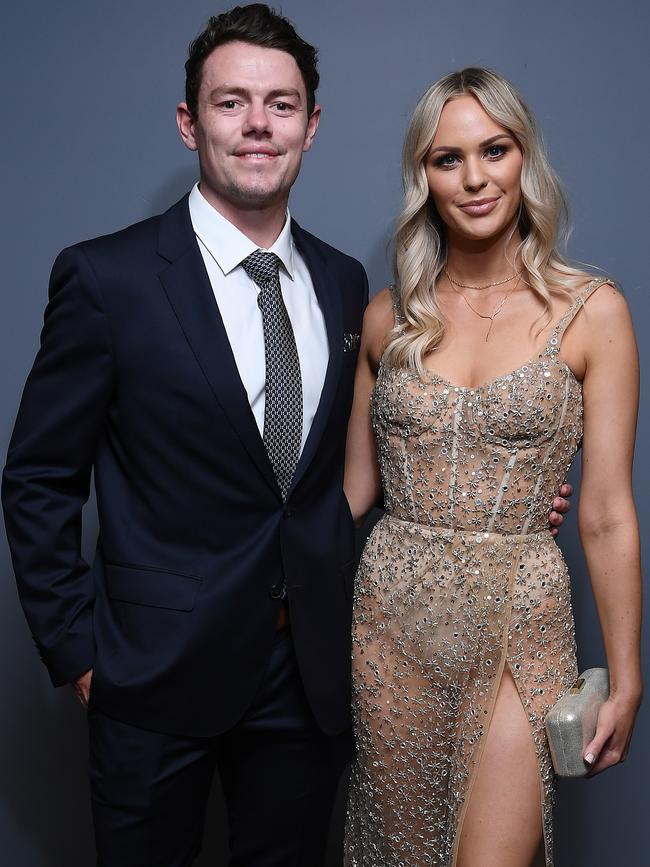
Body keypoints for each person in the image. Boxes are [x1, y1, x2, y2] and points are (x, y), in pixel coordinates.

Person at [2, 10, 572, 866]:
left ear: (313, 122)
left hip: (308, 678)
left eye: (281, 102)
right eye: (232, 103)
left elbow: (373, 455)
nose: (258, 124)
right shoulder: (106, 278)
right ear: (191, 122)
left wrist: (508, 490)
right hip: (151, 675)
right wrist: (80, 654)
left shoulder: (349, 286)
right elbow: (39, 477)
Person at [342, 67, 642, 867]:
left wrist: (626, 675)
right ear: (424, 177)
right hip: (390, 621)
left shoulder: (595, 311)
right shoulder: (387, 316)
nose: (474, 178)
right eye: (448, 158)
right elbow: (350, 495)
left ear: (523, 158)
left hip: (522, 613)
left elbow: (607, 511)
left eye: (494, 150)